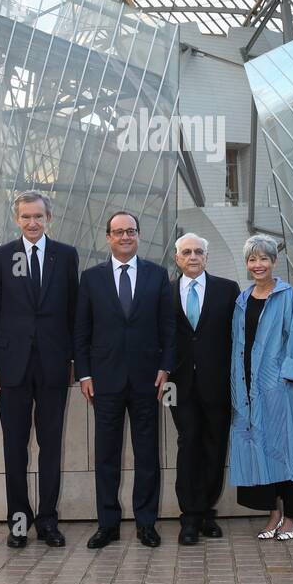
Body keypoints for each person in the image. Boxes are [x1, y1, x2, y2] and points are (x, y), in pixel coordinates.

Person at [0, 191, 79, 549]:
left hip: (54, 366)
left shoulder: (66, 256)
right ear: (16, 219)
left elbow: (74, 315)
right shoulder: (2, 256)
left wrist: (75, 363)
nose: (32, 223)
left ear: (48, 218)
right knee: (16, 448)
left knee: (51, 446)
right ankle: (19, 524)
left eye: (38, 216)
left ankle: (48, 522)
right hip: (11, 367)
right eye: (26, 217)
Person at [75, 211, 176, 548]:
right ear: (108, 237)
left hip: (148, 380)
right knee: (106, 455)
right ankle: (108, 525)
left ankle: (146, 523)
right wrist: (84, 373)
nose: (124, 237)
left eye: (130, 231)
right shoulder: (90, 279)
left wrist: (166, 366)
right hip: (104, 381)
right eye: (118, 232)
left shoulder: (157, 275)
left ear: (138, 235)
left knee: (147, 453)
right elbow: (82, 331)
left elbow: (168, 326)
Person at [230, 235, 293, 541]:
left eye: (264, 259)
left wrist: (286, 379)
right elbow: (238, 345)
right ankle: (273, 513)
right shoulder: (242, 299)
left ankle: (291, 516)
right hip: (249, 385)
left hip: (280, 387)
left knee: (289, 448)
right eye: (252, 259)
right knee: (260, 450)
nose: (258, 265)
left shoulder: (287, 295)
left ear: (274, 262)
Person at [169, 233, 239, 544]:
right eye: (187, 252)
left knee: (215, 446)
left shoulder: (227, 290)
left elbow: (237, 339)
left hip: (217, 383)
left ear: (206, 257)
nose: (193, 256)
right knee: (189, 445)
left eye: (199, 251)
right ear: (177, 258)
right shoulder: (165, 292)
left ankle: (207, 511)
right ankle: (189, 517)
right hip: (179, 385)